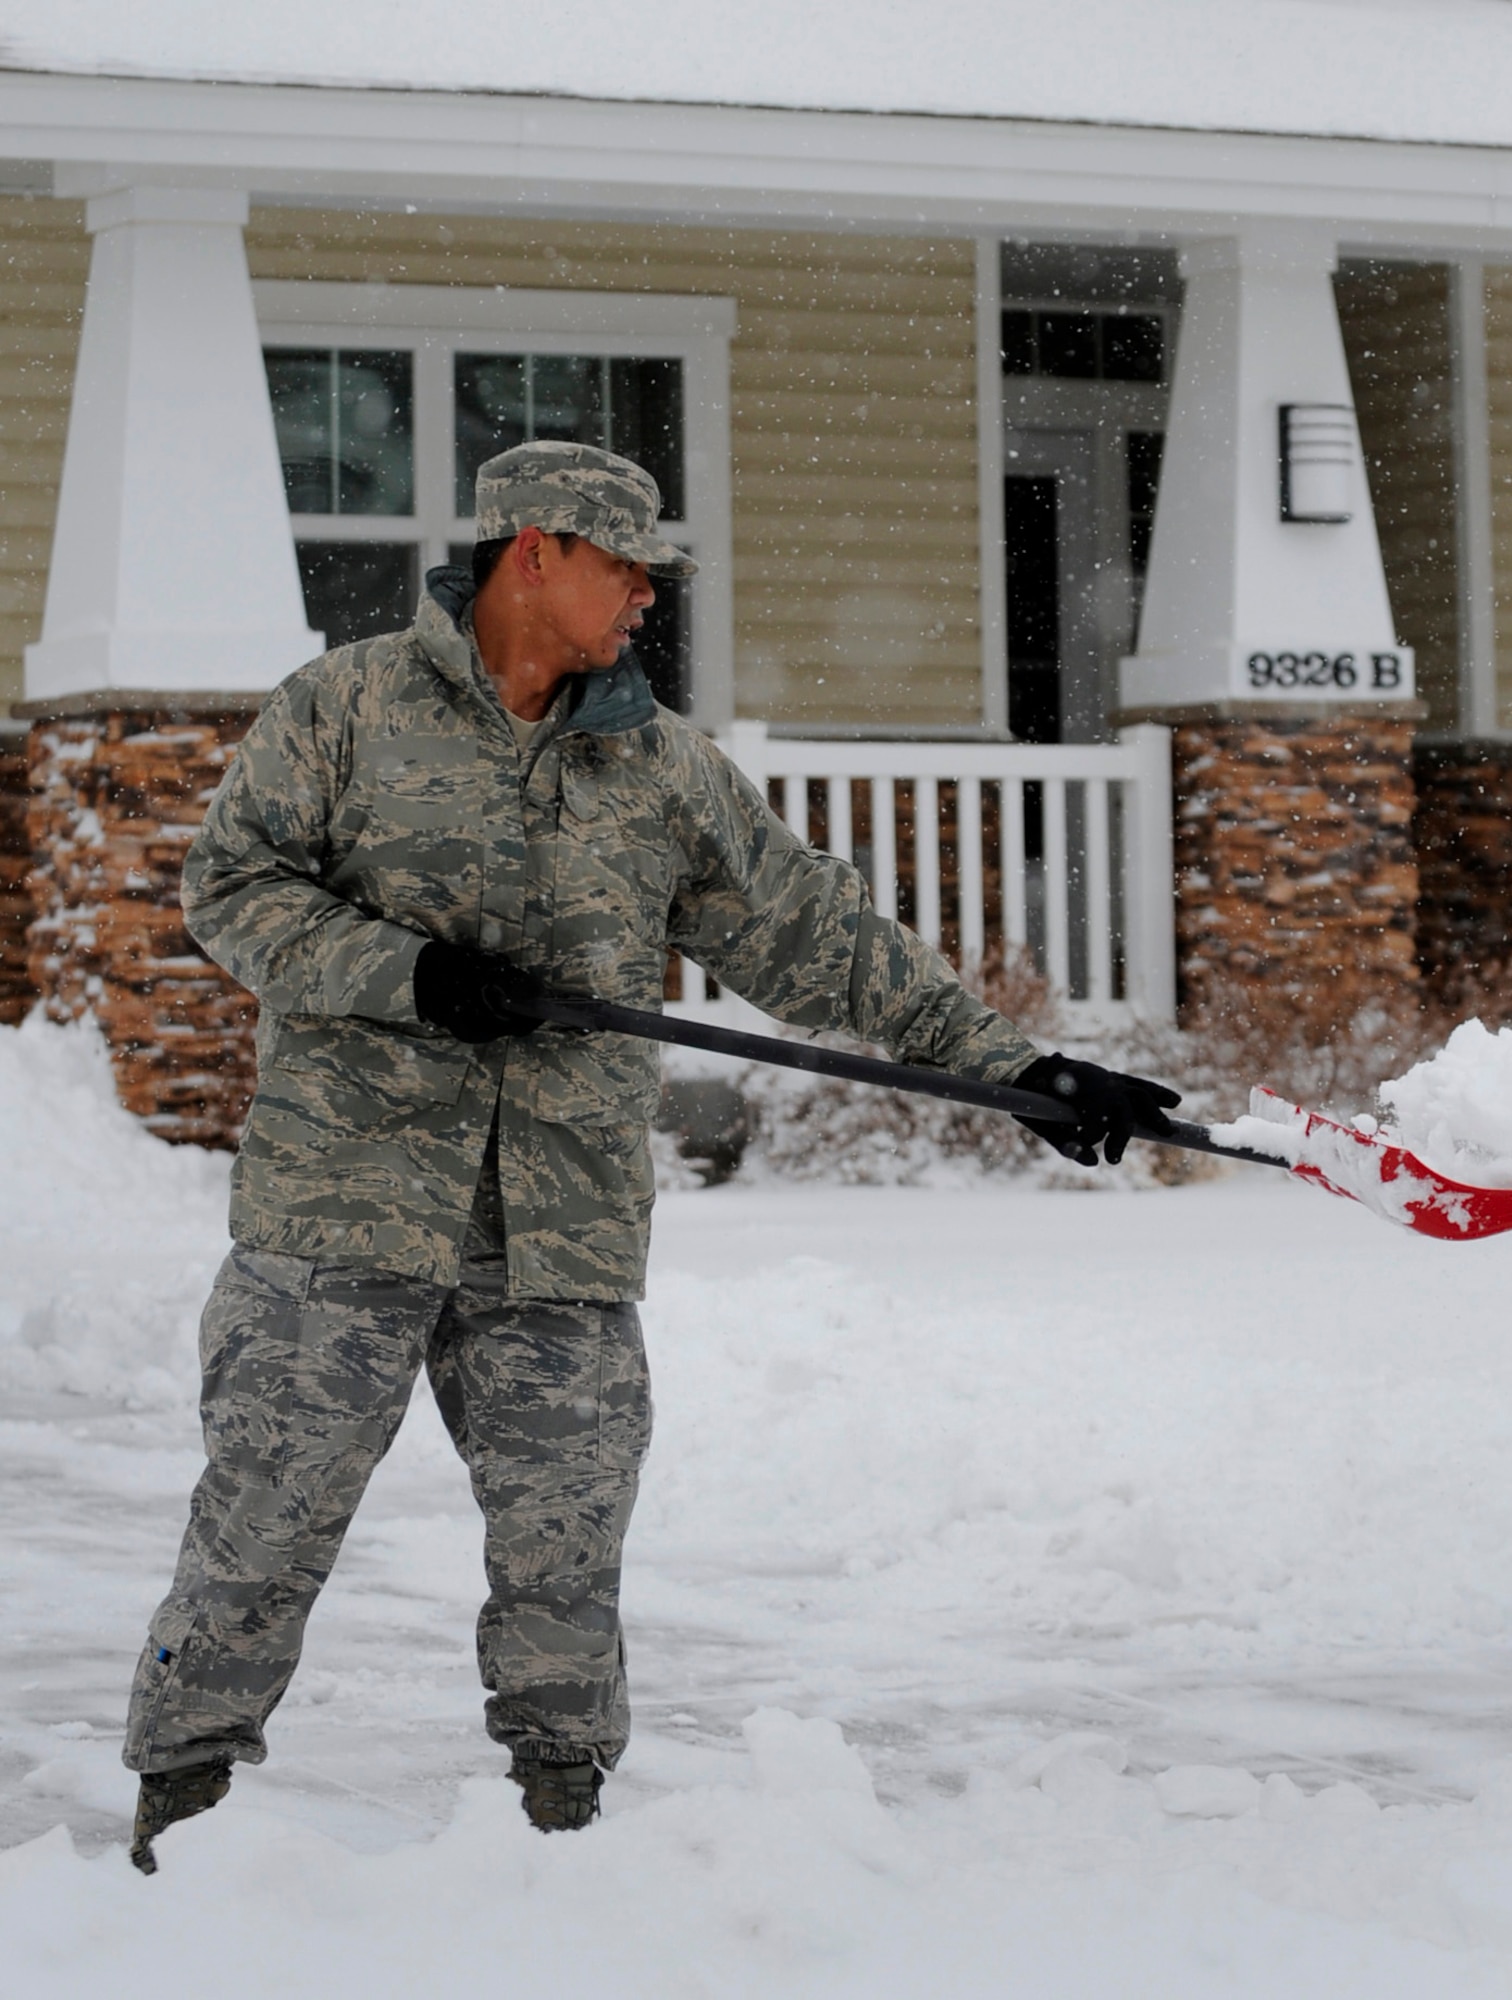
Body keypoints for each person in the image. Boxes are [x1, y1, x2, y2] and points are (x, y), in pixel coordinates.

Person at [121, 439, 1180, 1873]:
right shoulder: (346, 707)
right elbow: (230, 890)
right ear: (536, 550)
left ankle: (568, 1850)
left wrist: (1018, 1072)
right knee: (258, 1535)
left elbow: (820, 943)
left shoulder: (660, 765)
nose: (646, 602)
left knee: (563, 1566)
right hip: (342, 1212)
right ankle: (175, 1839)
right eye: (628, 569)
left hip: (559, 1230)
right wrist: (407, 975)